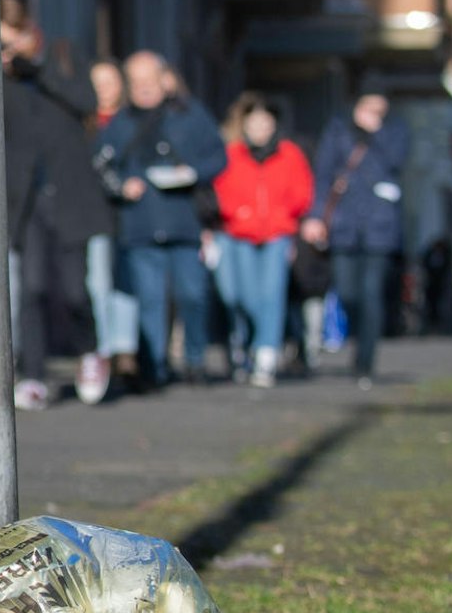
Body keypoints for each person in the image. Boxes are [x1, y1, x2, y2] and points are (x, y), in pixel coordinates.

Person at [94, 51, 228, 388]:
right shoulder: (121, 122)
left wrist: (193, 172)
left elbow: (219, 157)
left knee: (192, 295)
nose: (144, 88)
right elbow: (101, 164)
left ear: (164, 79)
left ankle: (195, 360)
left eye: (150, 80)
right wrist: (122, 187)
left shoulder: (189, 115)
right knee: (150, 301)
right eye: (137, 82)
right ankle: (154, 366)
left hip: (184, 224)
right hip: (140, 227)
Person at [0, 10, 109, 409]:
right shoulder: (3, 81)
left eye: (13, 43)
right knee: (33, 289)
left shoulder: (62, 59)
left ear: (33, 35)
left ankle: (90, 353)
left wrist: (39, 70)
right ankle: (33, 375)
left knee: (75, 291)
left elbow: (86, 101)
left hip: (70, 196)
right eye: (2, 46)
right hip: (27, 201)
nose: (9, 53)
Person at [304, 93, 410, 388]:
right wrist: (315, 215)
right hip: (343, 225)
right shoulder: (338, 130)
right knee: (348, 292)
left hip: (379, 226)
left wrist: (376, 134)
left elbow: (395, 161)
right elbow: (324, 174)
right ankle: (357, 339)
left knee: (371, 292)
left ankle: (366, 360)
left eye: (380, 109)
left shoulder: (395, 131)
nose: (373, 113)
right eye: (368, 108)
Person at [212, 94, 313, 387]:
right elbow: (222, 190)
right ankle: (246, 343)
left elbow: (302, 190)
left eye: (265, 123)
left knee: (272, 293)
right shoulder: (232, 155)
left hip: (276, 233)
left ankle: (266, 351)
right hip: (241, 232)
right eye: (253, 123)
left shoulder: (289, 153)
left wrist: (284, 213)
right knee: (243, 295)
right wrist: (237, 212)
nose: (259, 129)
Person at [83, 59, 138, 388]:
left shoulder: (131, 119)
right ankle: (102, 350)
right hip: (95, 212)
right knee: (99, 281)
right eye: (97, 81)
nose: (104, 88)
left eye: (111, 81)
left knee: (126, 282)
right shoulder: (83, 121)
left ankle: (126, 351)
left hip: (131, 212)